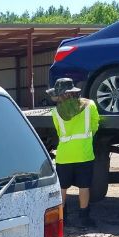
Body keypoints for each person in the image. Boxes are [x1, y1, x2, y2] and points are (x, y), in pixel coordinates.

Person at [47, 78, 100, 228]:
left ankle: (63, 219)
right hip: (84, 154)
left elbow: (59, 132)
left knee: (62, 188)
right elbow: (95, 125)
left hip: (64, 156)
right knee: (84, 187)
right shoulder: (90, 105)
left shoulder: (55, 112)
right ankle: (84, 218)